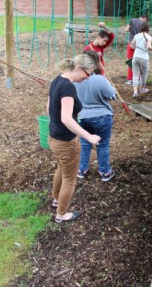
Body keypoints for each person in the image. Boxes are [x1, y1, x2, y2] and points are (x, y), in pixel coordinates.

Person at [47, 54, 101, 223]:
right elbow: (66, 118)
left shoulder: (57, 80)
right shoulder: (68, 87)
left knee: (61, 169)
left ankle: (56, 200)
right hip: (66, 141)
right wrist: (89, 136)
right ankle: (61, 215)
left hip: (54, 137)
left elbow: (49, 107)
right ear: (79, 68)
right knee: (69, 179)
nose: (87, 78)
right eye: (87, 73)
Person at [74, 51, 116, 182]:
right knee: (102, 144)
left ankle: (81, 170)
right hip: (102, 116)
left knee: (85, 143)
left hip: (82, 116)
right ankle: (104, 172)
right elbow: (112, 95)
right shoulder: (100, 79)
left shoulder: (75, 80)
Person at [130, 21, 152, 98]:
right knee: (143, 75)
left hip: (135, 57)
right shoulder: (149, 37)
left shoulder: (136, 36)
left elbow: (131, 45)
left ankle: (135, 92)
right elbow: (149, 46)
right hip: (144, 58)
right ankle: (142, 89)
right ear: (148, 28)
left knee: (135, 74)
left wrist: (136, 48)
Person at [125, 13, 149, 85]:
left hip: (131, 43)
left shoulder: (132, 20)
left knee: (131, 62)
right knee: (140, 62)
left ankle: (130, 79)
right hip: (140, 45)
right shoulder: (145, 24)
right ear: (145, 18)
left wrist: (132, 31)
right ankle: (138, 79)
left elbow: (126, 29)